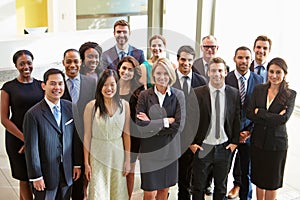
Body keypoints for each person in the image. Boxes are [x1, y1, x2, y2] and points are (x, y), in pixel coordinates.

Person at [23, 68, 81, 200]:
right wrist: (36, 176)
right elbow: (31, 149)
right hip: (45, 174)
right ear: (44, 86)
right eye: (53, 83)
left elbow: (75, 139)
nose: (57, 87)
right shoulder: (33, 115)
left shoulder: (70, 108)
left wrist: (77, 164)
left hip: (66, 171)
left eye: (60, 84)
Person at [246, 57, 296, 200]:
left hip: (276, 145)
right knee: (258, 179)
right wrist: (271, 116)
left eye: (278, 72)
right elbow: (250, 113)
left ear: (284, 74)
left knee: (272, 182)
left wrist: (260, 113)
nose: (274, 76)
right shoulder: (259, 89)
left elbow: (283, 119)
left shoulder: (290, 94)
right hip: (258, 142)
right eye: (271, 72)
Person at [191, 57, 240, 200]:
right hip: (203, 147)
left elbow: (236, 119)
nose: (216, 74)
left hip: (224, 148)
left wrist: (234, 143)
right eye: (213, 70)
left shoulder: (234, 94)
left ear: (225, 72)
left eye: (220, 70)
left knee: (221, 187)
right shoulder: (197, 93)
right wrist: (191, 144)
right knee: (198, 186)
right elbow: (190, 121)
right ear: (208, 72)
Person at [136, 57, 186, 200]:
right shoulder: (144, 95)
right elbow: (140, 126)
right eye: (158, 73)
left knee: (164, 190)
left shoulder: (179, 95)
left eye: (165, 73)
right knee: (149, 192)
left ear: (171, 75)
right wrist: (166, 121)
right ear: (153, 75)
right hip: (150, 151)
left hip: (169, 150)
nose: (162, 77)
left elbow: (178, 126)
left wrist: (151, 123)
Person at [0, 50, 44, 200]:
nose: (26, 66)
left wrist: (34, 140)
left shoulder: (41, 86)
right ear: (16, 66)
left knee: (36, 176)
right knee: (24, 178)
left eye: (29, 63)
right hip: (17, 138)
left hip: (38, 138)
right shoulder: (8, 87)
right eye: (22, 64)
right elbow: (4, 119)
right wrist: (25, 139)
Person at [83, 69, 131, 199]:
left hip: (118, 154)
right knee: (98, 191)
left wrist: (127, 160)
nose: (108, 88)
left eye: (112, 84)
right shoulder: (91, 107)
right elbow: (87, 136)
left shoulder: (125, 105)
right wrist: (86, 164)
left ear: (117, 85)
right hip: (98, 154)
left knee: (118, 192)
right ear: (100, 86)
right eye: (105, 85)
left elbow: (126, 134)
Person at [225, 46, 263, 200]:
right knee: (223, 171)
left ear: (251, 60)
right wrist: (234, 133)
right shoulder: (225, 79)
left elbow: (259, 109)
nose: (244, 61)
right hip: (228, 134)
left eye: (247, 58)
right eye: (240, 57)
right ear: (234, 58)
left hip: (247, 134)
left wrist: (248, 131)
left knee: (246, 172)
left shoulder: (259, 80)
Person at [61, 49, 97, 200]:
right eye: (68, 61)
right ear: (63, 63)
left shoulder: (91, 82)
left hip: (85, 138)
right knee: (63, 182)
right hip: (63, 140)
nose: (72, 65)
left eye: (75, 61)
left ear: (81, 62)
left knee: (81, 182)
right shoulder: (57, 83)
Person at [172, 45, 207, 200]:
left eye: (189, 60)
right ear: (178, 59)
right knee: (181, 179)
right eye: (183, 59)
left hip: (195, 138)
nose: (186, 63)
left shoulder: (201, 81)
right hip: (175, 137)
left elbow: (204, 113)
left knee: (195, 177)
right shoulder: (169, 79)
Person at [117, 55, 144, 198]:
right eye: (124, 68)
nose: (126, 72)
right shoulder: (111, 87)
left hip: (133, 136)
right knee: (115, 169)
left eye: (131, 70)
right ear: (119, 69)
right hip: (114, 135)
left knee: (129, 170)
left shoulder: (139, 91)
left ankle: (127, 197)